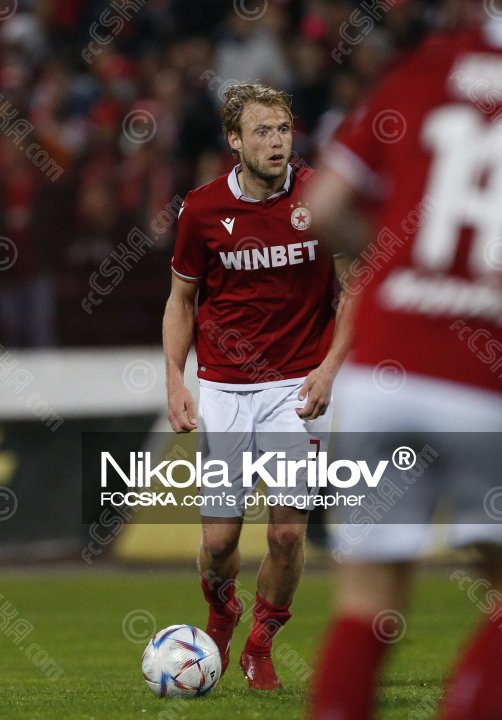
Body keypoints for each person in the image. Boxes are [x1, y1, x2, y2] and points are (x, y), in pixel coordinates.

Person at [306, 4, 502, 719]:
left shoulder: (427, 68)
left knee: (366, 601)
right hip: (490, 381)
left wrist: (400, 263)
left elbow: (324, 206)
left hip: (382, 370)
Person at [162, 83, 350, 690]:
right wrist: (175, 379)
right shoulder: (202, 209)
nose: (276, 142)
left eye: (283, 130)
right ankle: (221, 615)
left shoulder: (322, 198)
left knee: (288, 532)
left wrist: (329, 369)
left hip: (298, 385)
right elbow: (181, 300)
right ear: (234, 141)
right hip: (223, 386)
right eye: (262, 132)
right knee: (219, 542)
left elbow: (355, 289)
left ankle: (260, 644)